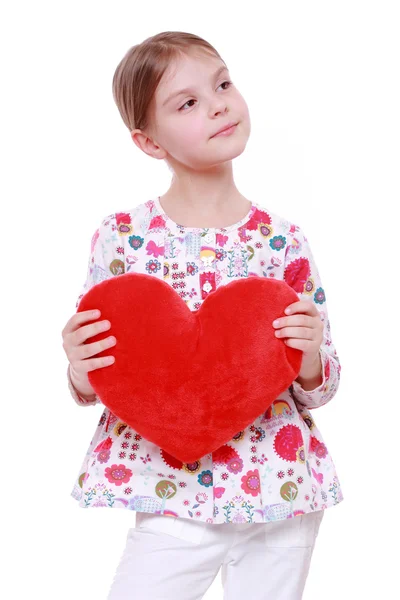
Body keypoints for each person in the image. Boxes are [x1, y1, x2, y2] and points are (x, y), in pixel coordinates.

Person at [62, 30, 344, 600]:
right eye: (187, 102)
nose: (218, 103)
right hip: (169, 489)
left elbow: (319, 387)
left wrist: (312, 353)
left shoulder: (283, 240)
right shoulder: (122, 238)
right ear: (149, 142)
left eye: (222, 84)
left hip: (279, 489)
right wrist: (76, 364)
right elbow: (100, 379)